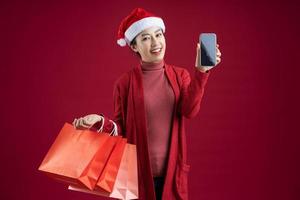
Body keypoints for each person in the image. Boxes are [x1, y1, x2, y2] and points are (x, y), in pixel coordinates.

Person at [73, 7, 221, 200]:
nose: (155, 42)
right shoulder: (124, 83)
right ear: (134, 46)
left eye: (158, 35)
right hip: (136, 177)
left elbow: (189, 110)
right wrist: (99, 121)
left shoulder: (180, 75)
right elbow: (121, 130)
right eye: (145, 38)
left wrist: (201, 72)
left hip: (172, 176)